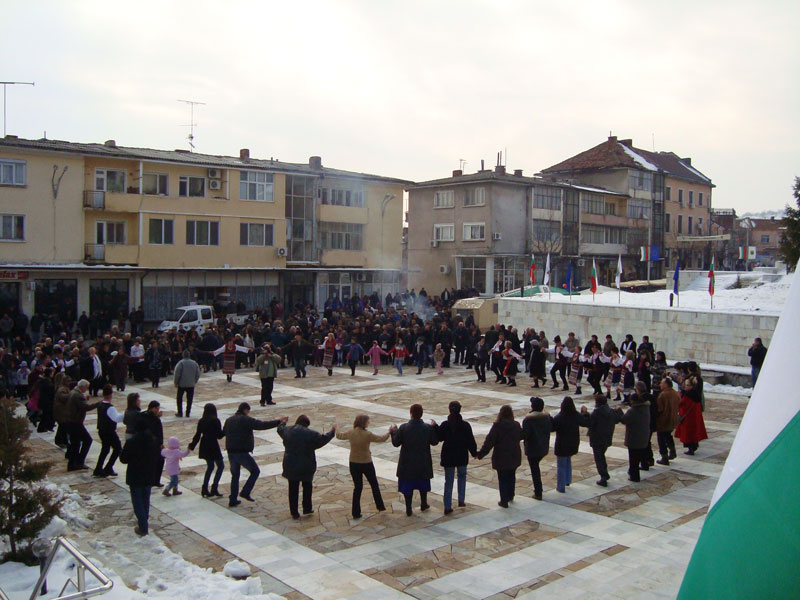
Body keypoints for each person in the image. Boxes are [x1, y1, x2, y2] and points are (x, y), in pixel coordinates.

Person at [223, 402, 287, 507]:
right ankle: (245, 492)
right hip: (242, 452)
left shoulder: (229, 420)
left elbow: (223, 433)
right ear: (246, 410)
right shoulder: (246, 420)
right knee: (255, 471)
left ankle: (233, 499)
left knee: (235, 476)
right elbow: (261, 425)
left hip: (231, 452)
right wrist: (279, 422)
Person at [278, 415, 336, 519]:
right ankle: (307, 508)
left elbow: (280, 429)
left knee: (293, 489)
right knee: (307, 487)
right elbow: (322, 439)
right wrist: (332, 432)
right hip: (306, 465)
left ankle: (294, 512)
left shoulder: (288, 431)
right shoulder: (310, 434)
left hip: (290, 464)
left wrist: (283, 422)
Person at [337, 414, 394, 519]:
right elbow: (381, 439)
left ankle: (355, 512)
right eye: (368, 421)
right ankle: (380, 506)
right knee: (374, 485)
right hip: (366, 462)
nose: (369, 423)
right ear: (364, 423)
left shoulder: (351, 432)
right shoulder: (367, 434)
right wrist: (389, 432)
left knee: (357, 487)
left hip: (353, 463)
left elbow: (339, 436)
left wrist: (335, 429)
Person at [391, 404, 439, 516]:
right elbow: (435, 441)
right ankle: (424, 503)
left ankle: (408, 508)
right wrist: (434, 427)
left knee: (408, 486)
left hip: (407, 462)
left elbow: (396, 443)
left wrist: (393, 432)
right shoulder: (427, 428)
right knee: (423, 483)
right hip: (423, 462)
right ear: (421, 414)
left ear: (411, 413)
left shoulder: (403, 428)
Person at [120, 417, 160, 536]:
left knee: (137, 501)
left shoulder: (132, 442)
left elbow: (123, 459)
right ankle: (144, 520)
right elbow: (157, 456)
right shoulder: (153, 440)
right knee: (145, 499)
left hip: (135, 474)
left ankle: (143, 526)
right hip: (148, 474)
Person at [436, 401, 477, 514]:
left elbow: (439, 437)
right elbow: (471, 441)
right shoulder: (465, 425)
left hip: (449, 456)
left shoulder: (445, 425)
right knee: (462, 477)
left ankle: (447, 506)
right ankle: (461, 499)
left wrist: (435, 426)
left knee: (448, 481)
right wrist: (474, 453)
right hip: (461, 455)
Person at [476, 405, 521, 507]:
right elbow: (521, 435)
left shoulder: (497, 426)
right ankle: (510, 495)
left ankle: (504, 500)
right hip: (514, 455)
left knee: (503, 478)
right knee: (511, 475)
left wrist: (481, 454)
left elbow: (489, 442)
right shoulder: (516, 425)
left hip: (501, 456)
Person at [579, 393, 620, 487]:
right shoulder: (610, 411)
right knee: (601, 456)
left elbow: (588, 423)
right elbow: (618, 419)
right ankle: (604, 473)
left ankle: (604, 476)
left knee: (599, 458)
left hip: (597, 439)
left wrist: (584, 413)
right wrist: (619, 410)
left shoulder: (597, 413)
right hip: (607, 437)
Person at [189, 403, 226, 497]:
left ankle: (205, 488)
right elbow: (219, 436)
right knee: (220, 466)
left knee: (210, 467)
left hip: (204, 444)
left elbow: (198, 435)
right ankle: (214, 487)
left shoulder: (202, 420)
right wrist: (225, 431)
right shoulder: (215, 420)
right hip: (213, 445)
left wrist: (192, 445)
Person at [65, 379, 99, 471]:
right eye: (86, 387)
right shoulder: (77, 395)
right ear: (82, 386)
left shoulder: (73, 392)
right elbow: (86, 407)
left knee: (75, 443)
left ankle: (73, 463)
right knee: (87, 440)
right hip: (76, 422)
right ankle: (79, 461)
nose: (87, 389)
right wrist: (97, 404)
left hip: (71, 421)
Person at [618, 389, 651, 482]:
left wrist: (619, 411)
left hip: (634, 437)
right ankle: (641, 467)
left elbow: (624, 420)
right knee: (640, 455)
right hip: (644, 435)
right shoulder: (646, 408)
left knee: (633, 459)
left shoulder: (633, 411)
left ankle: (634, 476)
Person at [521, 397, 551, 500]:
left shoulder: (529, 420)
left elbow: (525, 434)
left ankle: (538, 492)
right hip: (543, 446)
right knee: (535, 468)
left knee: (535, 470)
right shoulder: (547, 417)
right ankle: (538, 490)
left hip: (533, 448)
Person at [93, 384, 124, 478]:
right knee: (117, 448)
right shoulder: (110, 407)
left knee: (105, 449)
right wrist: (125, 414)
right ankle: (108, 467)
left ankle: (98, 468)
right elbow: (116, 418)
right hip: (109, 431)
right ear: (111, 394)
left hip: (101, 430)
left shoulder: (100, 405)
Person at [551, 396, 580, 493]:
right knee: (568, 461)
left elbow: (552, 428)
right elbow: (585, 421)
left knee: (561, 465)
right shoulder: (576, 415)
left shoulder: (559, 417)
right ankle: (568, 480)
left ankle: (561, 486)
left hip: (562, 444)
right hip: (573, 442)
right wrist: (585, 413)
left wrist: (549, 418)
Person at [675, 372, 708, 455]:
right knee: (694, 433)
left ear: (690, 386)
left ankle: (691, 448)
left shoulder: (687, 395)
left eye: (686, 385)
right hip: (694, 417)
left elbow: (682, 404)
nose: (685, 387)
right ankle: (694, 446)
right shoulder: (696, 395)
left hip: (688, 419)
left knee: (688, 434)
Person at [655, 377, 680, 465]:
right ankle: (673, 451)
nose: (660, 385)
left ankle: (664, 457)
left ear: (666, 384)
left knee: (661, 439)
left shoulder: (663, 395)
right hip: (673, 419)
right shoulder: (675, 393)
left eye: (661, 383)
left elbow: (659, 409)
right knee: (668, 436)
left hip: (663, 420)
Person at [141, 400, 165, 486]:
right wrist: (160, 443)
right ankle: (155, 480)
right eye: (157, 409)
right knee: (159, 461)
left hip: (147, 442)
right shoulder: (154, 419)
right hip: (154, 443)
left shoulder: (143, 415)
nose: (158, 410)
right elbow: (158, 431)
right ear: (153, 408)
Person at [173, 350, 200, 417]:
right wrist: (194, 381)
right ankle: (188, 412)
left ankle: (180, 412)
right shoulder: (194, 363)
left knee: (179, 398)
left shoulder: (181, 363)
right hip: (191, 384)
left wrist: (176, 382)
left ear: (183, 355)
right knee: (189, 399)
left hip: (182, 384)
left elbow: (177, 374)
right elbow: (198, 374)